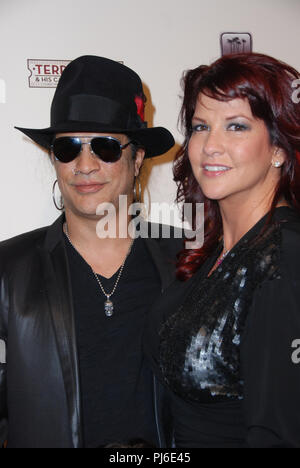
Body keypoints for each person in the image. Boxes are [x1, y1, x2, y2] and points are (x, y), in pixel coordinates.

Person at [0, 55, 183, 448]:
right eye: (67, 148)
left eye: (105, 147)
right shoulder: (8, 269)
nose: (84, 165)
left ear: (136, 160)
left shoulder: (189, 260)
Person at [144, 52, 300, 448]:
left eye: (236, 126)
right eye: (200, 126)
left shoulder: (283, 259)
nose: (210, 145)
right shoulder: (211, 252)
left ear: (279, 148)